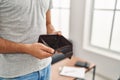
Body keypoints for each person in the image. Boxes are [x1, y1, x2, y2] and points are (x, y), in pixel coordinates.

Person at [0, 0, 61, 80]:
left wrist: (53, 33)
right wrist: (27, 49)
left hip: (46, 67)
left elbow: (48, 23)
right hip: (16, 74)